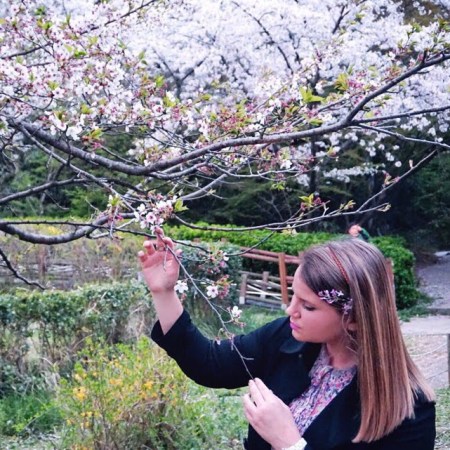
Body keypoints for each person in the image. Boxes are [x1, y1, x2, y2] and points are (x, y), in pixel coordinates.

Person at [138, 229, 435, 450]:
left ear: (355, 318)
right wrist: (164, 292)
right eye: (294, 296)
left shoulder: (408, 410)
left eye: (308, 306)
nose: (290, 311)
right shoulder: (287, 339)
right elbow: (210, 364)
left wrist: (289, 442)